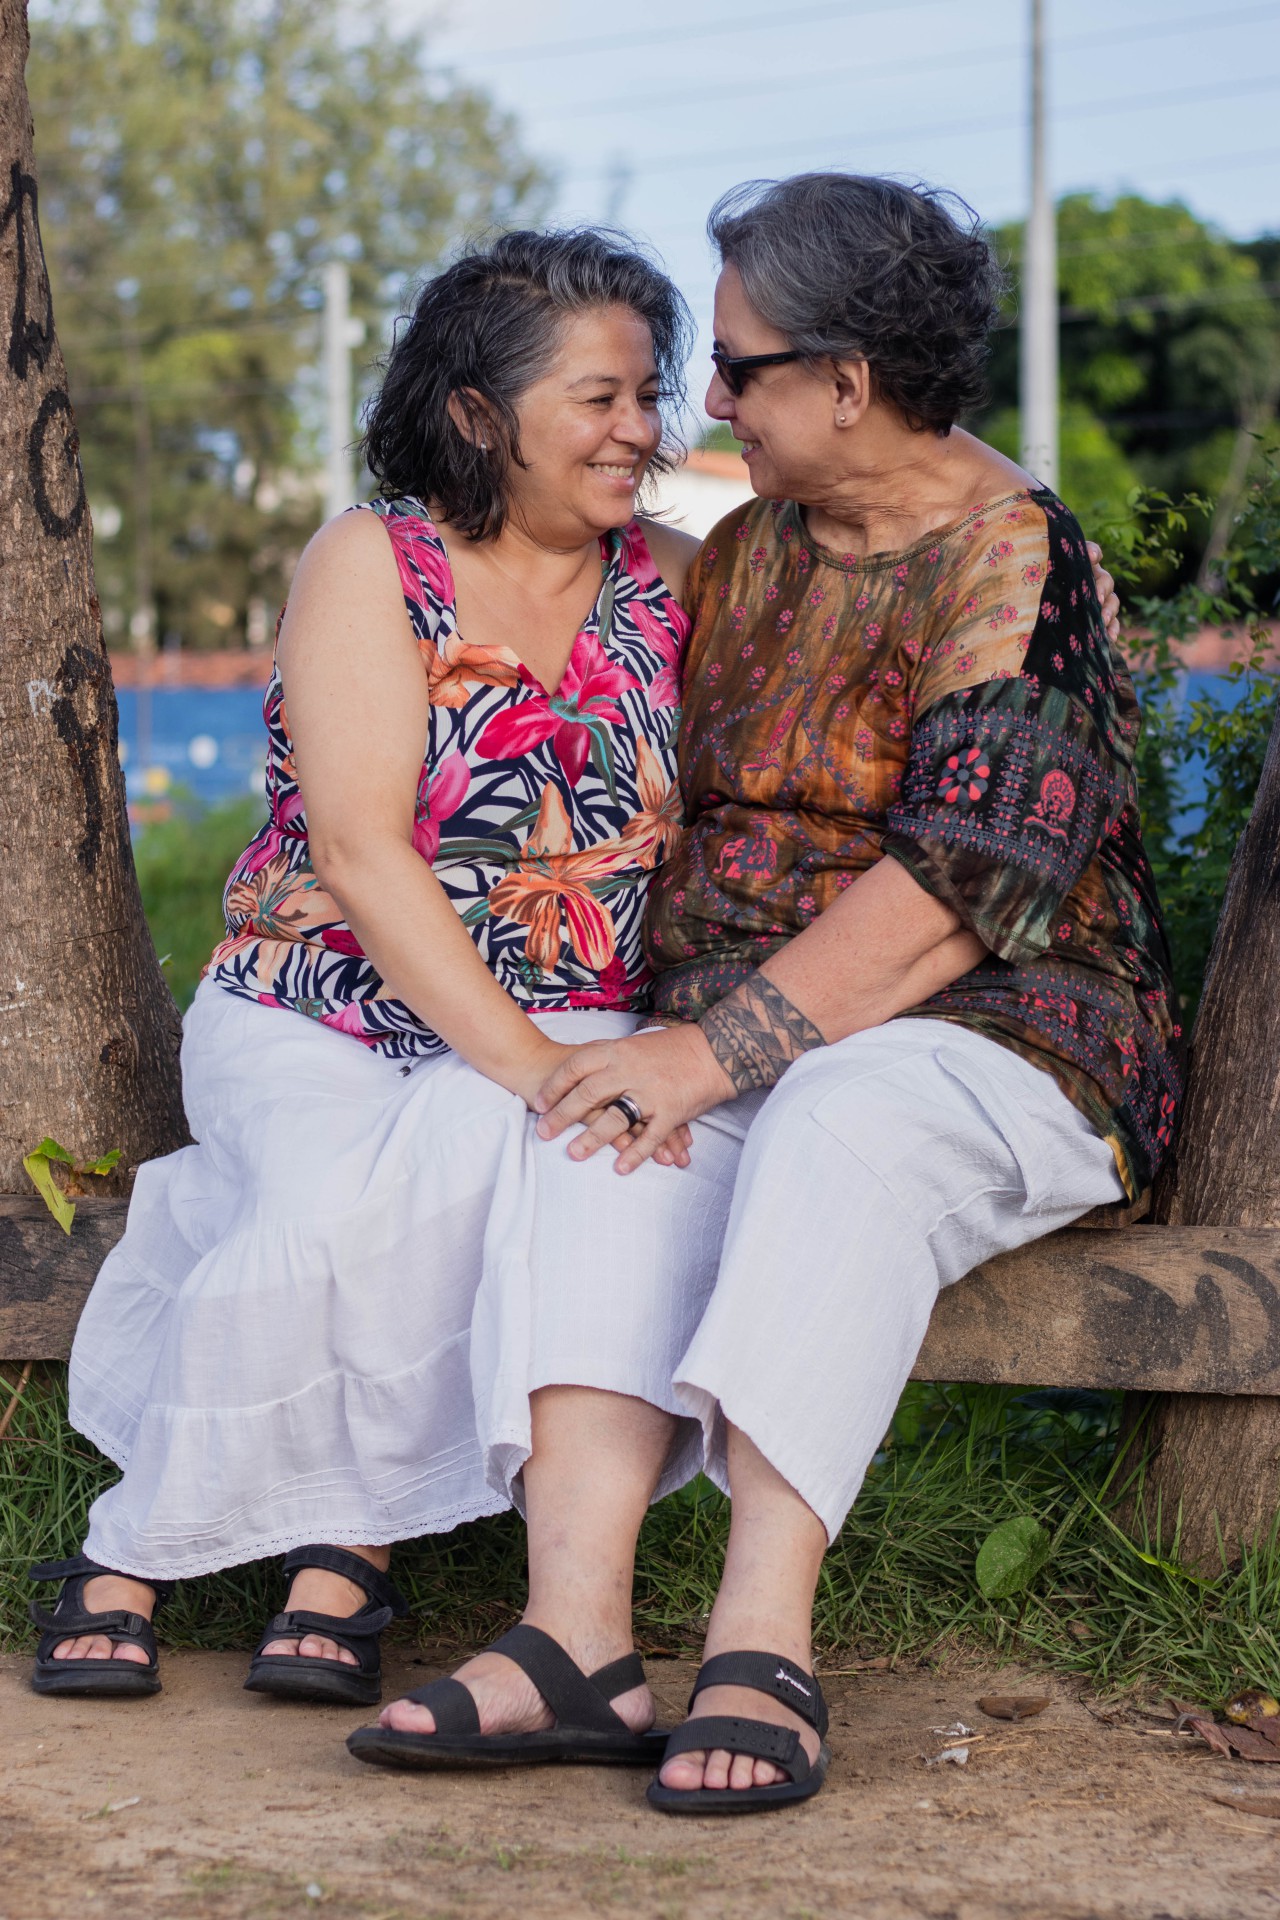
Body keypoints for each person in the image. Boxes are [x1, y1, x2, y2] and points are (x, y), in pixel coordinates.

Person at [356, 175, 1177, 1814]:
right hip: (745, 1032)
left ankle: (763, 1633)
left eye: (735, 366)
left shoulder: (1018, 565)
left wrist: (713, 1052)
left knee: (840, 1122)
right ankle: (576, 1636)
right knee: (590, 1131)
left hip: (1005, 1035)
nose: (706, 401)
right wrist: (658, 1058)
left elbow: (969, 888)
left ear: (848, 384)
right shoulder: (746, 551)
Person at [31, 228, 709, 1734]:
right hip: (309, 1001)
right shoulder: (370, 560)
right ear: (478, 413)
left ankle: (317, 1545)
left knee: (474, 1173)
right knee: (336, 1203)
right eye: (600, 398)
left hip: (577, 1005)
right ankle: (183, 1543)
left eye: (649, 396)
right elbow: (357, 848)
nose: (642, 432)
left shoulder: (674, 579)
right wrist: (528, 1064)